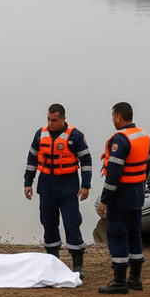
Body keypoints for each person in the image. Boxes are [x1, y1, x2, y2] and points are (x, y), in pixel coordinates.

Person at [24, 103, 92, 279]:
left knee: (71, 223)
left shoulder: (75, 136)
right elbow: (32, 159)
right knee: (48, 223)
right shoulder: (40, 134)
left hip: (68, 184)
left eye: (54, 120)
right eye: (48, 119)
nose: (50, 123)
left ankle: (77, 265)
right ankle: (52, 262)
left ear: (63, 119)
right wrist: (28, 182)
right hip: (46, 184)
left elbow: (86, 162)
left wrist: (86, 185)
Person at [96, 102, 150, 294]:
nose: (112, 120)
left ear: (118, 117)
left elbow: (113, 175)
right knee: (134, 234)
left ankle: (119, 281)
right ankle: (135, 278)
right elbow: (147, 165)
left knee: (117, 235)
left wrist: (104, 200)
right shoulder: (143, 136)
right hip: (137, 193)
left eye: (113, 116)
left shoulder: (119, 140)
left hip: (121, 196)